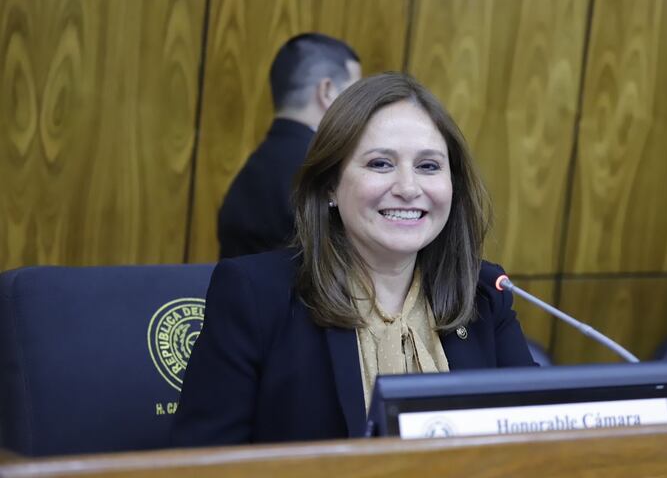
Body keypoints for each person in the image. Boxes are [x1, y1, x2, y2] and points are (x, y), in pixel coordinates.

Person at [172, 72, 535, 447]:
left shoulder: (484, 293)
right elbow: (199, 463)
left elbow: (540, 441)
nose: (409, 189)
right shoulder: (256, 296)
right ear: (331, 184)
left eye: (428, 166)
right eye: (380, 164)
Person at [217, 33, 362, 258]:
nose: (361, 109)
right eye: (355, 95)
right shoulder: (323, 171)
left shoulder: (256, 166)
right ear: (327, 91)